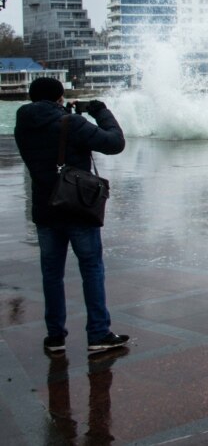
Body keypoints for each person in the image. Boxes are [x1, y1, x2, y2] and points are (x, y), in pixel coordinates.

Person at [13, 77, 129, 355]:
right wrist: (99, 110)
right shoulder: (72, 124)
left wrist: (66, 115)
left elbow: (49, 138)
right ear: (60, 97)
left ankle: (55, 337)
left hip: (45, 209)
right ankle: (98, 334)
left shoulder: (23, 123)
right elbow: (115, 142)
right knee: (91, 269)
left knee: (51, 274)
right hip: (77, 207)